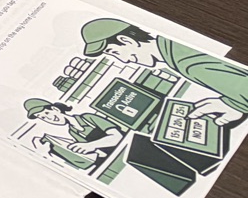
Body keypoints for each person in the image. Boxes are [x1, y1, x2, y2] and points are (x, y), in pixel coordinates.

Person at [78, 19, 248, 126]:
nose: (123, 60)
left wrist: (236, 105)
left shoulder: (187, 63)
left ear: (126, 40)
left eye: (115, 52)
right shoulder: (171, 50)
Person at [21, 99, 124, 166]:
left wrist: (90, 145)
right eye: (43, 118)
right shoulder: (73, 132)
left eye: (47, 113)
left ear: (55, 109)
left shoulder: (87, 118)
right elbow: (98, 152)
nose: (49, 118)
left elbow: (117, 136)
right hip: (117, 160)